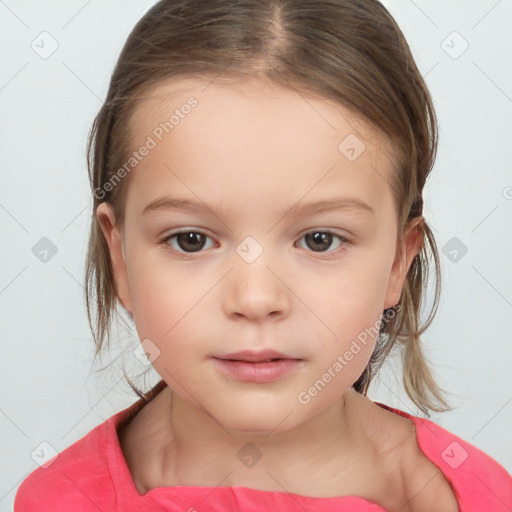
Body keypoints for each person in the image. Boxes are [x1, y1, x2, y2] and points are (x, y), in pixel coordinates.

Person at [14, 0, 512, 510]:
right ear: (119, 257)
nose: (255, 299)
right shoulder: (60, 500)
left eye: (320, 240)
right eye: (191, 239)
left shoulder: (475, 497)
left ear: (395, 264)